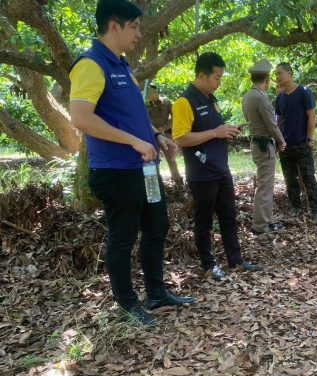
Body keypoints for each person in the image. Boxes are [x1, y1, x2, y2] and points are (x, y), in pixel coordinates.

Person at [68, 0, 195, 327]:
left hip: (145, 169)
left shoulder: (122, 66)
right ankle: (127, 304)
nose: (139, 33)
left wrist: (155, 136)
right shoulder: (91, 64)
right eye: (134, 26)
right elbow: (81, 118)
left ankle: (156, 293)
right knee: (122, 238)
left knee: (157, 227)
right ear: (114, 26)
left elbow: (133, 114)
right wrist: (132, 141)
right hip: (116, 171)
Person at [172, 52, 262, 281]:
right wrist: (215, 132)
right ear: (202, 75)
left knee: (228, 215)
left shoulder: (211, 99)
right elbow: (180, 138)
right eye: (217, 78)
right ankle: (208, 264)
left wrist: (226, 130)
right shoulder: (184, 102)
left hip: (221, 168)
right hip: (201, 173)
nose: (219, 83)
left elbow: (213, 130)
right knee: (204, 221)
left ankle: (236, 259)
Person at [274, 62, 317, 224]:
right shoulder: (280, 98)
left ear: (289, 73)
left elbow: (311, 116)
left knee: (309, 177)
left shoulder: (304, 92)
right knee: (290, 179)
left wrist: (309, 138)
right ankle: (296, 208)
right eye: (276, 74)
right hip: (286, 146)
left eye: (280, 73)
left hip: (302, 144)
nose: (277, 77)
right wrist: (279, 140)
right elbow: (279, 121)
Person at [242, 59, 286, 235]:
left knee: (265, 186)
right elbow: (271, 125)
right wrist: (281, 140)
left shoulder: (246, 96)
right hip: (264, 145)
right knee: (265, 187)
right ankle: (260, 225)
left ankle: (267, 221)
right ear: (266, 79)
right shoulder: (261, 98)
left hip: (256, 143)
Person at [146, 84, 183, 186]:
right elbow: (144, 120)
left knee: (171, 159)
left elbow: (175, 117)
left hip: (166, 134)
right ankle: (158, 183)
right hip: (153, 136)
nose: (150, 95)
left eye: (152, 92)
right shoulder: (145, 104)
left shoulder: (166, 102)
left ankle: (178, 181)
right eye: (148, 93)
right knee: (154, 159)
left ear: (156, 92)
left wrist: (164, 127)